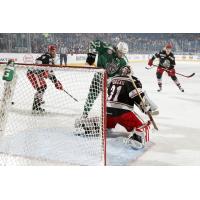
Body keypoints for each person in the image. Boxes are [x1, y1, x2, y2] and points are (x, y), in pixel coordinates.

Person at [107, 65, 151, 149]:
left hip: (107, 111)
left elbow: (109, 93)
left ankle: (94, 125)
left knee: (105, 123)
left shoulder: (113, 79)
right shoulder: (132, 80)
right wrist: (144, 107)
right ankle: (136, 139)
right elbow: (136, 96)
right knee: (142, 127)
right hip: (123, 114)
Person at [82, 40, 129, 117]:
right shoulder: (107, 48)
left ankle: (113, 117)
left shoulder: (124, 61)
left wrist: (114, 78)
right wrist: (90, 59)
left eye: (124, 54)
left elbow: (121, 73)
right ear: (117, 49)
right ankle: (85, 114)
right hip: (99, 76)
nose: (121, 55)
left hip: (110, 81)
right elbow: (93, 43)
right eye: (120, 52)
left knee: (115, 99)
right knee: (92, 96)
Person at [27, 45, 63, 114]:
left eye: (54, 51)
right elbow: (49, 72)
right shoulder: (48, 57)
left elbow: (48, 72)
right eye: (52, 51)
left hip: (35, 73)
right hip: (33, 73)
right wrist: (56, 82)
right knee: (42, 87)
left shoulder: (48, 57)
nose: (54, 52)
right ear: (49, 51)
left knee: (43, 86)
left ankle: (38, 102)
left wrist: (56, 82)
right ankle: (35, 107)